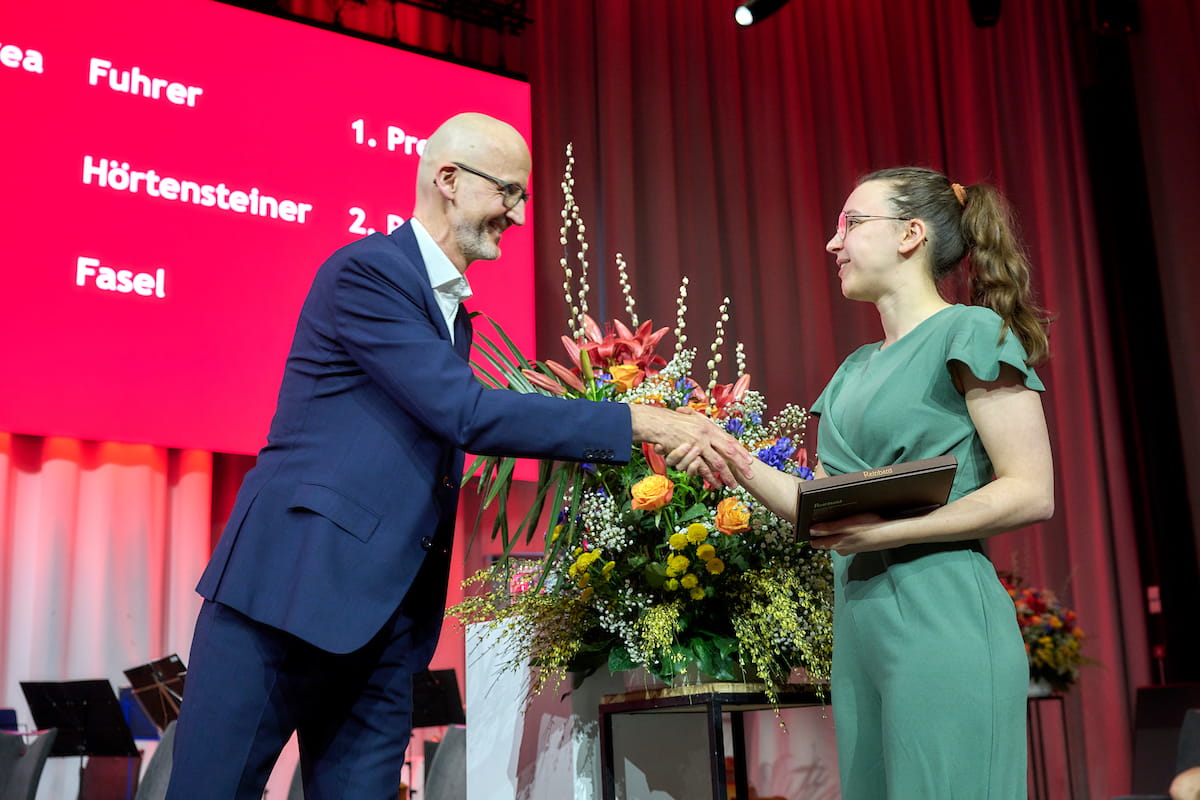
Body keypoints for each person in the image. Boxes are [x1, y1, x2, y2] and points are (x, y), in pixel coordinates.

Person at [165, 112, 749, 800]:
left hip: (385, 627)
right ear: (448, 179)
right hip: (286, 599)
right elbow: (464, 413)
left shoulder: (454, 315)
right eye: (509, 192)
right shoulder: (368, 272)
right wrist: (635, 420)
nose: (518, 214)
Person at [668, 167, 1054, 797]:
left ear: (911, 235)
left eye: (850, 223)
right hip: (861, 624)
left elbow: (1031, 490)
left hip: (942, 613)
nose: (832, 242)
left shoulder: (971, 331)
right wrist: (730, 456)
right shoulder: (853, 371)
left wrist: (892, 531)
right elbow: (820, 508)